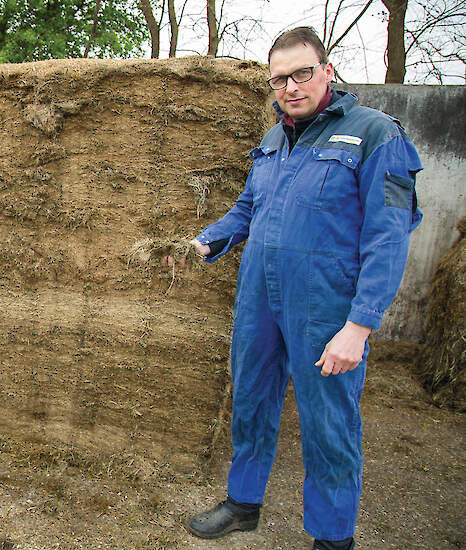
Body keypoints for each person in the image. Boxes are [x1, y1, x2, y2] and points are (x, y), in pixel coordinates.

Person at [184, 27, 422, 550]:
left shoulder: (376, 134)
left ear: (327, 71)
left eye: (302, 73)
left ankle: (333, 537)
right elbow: (250, 208)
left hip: (326, 308)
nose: (290, 87)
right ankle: (243, 503)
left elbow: (388, 237)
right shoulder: (274, 139)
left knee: (328, 422)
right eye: (279, 79)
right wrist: (205, 243)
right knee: (250, 400)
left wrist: (358, 327)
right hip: (259, 300)